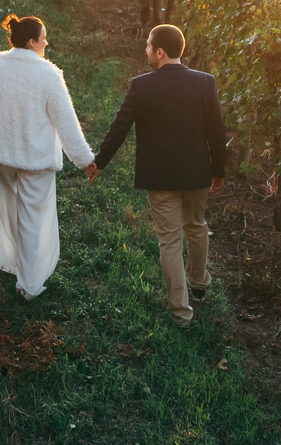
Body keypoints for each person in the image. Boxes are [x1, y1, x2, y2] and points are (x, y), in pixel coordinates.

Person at [85, 24, 226, 328]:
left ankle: (181, 313)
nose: (146, 51)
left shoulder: (141, 86)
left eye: (148, 46)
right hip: (196, 173)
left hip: (160, 178)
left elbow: (119, 127)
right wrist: (219, 171)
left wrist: (100, 162)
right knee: (197, 226)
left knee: (170, 242)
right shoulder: (205, 83)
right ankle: (199, 282)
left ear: (160, 52)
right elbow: (217, 131)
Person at [0, 14, 97, 300]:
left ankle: (14, 263)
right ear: (32, 41)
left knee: (10, 211)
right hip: (36, 160)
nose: (47, 42)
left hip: (2, 156)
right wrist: (86, 160)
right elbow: (66, 124)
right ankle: (29, 284)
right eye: (43, 38)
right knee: (34, 217)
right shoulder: (48, 74)